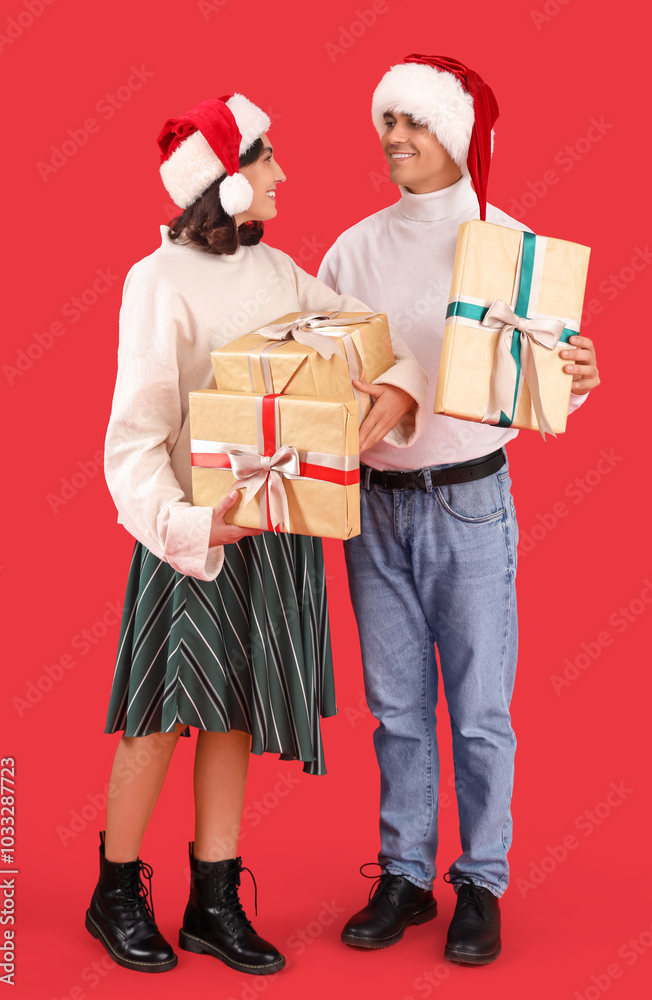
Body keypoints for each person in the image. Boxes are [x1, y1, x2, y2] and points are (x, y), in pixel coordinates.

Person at [86, 93, 427, 977]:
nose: (281, 175)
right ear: (228, 183)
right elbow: (131, 442)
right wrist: (195, 525)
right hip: (197, 533)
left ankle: (212, 898)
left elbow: (365, 337)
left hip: (277, 526)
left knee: (232, 714)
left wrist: (394, 392)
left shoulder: (278, 272)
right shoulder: (154, 282)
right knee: (161, 718)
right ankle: (115, 891)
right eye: (266, 159)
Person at [318, 55, 600, 965]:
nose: (394, 136)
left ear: (460, 131)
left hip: (471, 500)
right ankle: (404, 873)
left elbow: (541, 380)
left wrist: (578, 377)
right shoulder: (352, 249)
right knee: (395, 708)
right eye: (387, 119)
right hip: (372, 507)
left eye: (415, 120)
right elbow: (322, 379)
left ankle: (479, 880)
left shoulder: (512, 246)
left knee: (479, 710)